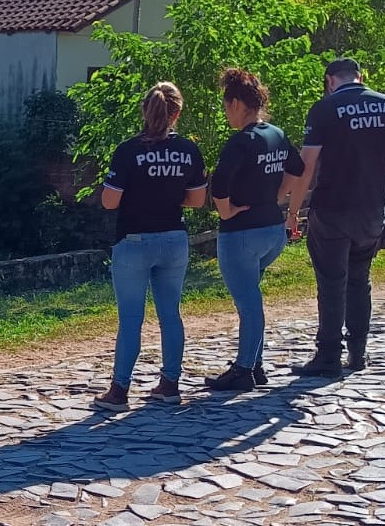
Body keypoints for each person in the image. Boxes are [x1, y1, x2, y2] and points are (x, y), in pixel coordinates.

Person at [94, 82, 208, 412]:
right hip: (174, 238)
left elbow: (110, 201)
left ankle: (119, 391)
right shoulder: (188, 150)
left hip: (134, 241)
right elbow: (198, 199)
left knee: (131, 319)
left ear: (145, 111)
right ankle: (169, 384)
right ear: (177, 113)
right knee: (170, 314)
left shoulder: (128, 151)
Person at [204, 69, 304, 391]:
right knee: (252, 298)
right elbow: (298, 168)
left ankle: (244, 369)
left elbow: (217, 186)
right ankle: (255, 364)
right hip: (272, 232)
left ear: (235, 103)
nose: (224, 112)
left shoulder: (240, 142)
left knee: (249, 305)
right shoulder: (275, 133)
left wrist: (226, 211)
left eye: (225, 105)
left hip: (241, 235)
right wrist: (278, 195)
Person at [288, 58, 385, 377]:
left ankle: (329, 355)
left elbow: (307, 165)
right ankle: (358, 353)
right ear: (361, 76)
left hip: (332, 209)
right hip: (371, 210)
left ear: (331, 80)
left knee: (331, 282)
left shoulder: (325, 109)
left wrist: (293, 211)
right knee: (360, 279)